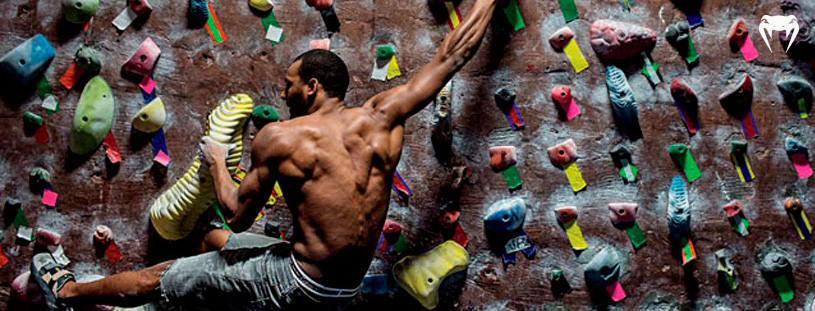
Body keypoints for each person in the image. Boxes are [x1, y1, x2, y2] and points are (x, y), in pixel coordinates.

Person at [30, 0, 499, 309]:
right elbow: (452, 56)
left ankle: (64, 292)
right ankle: (203, 280)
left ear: (312, 86)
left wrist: (215, 159)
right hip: (345, 284)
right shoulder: (382, 117)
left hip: (300, 283)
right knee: (213, 243)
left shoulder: (281, 137)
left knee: (163, 278)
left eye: (289, 85)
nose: (285, 92)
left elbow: (236, 214)